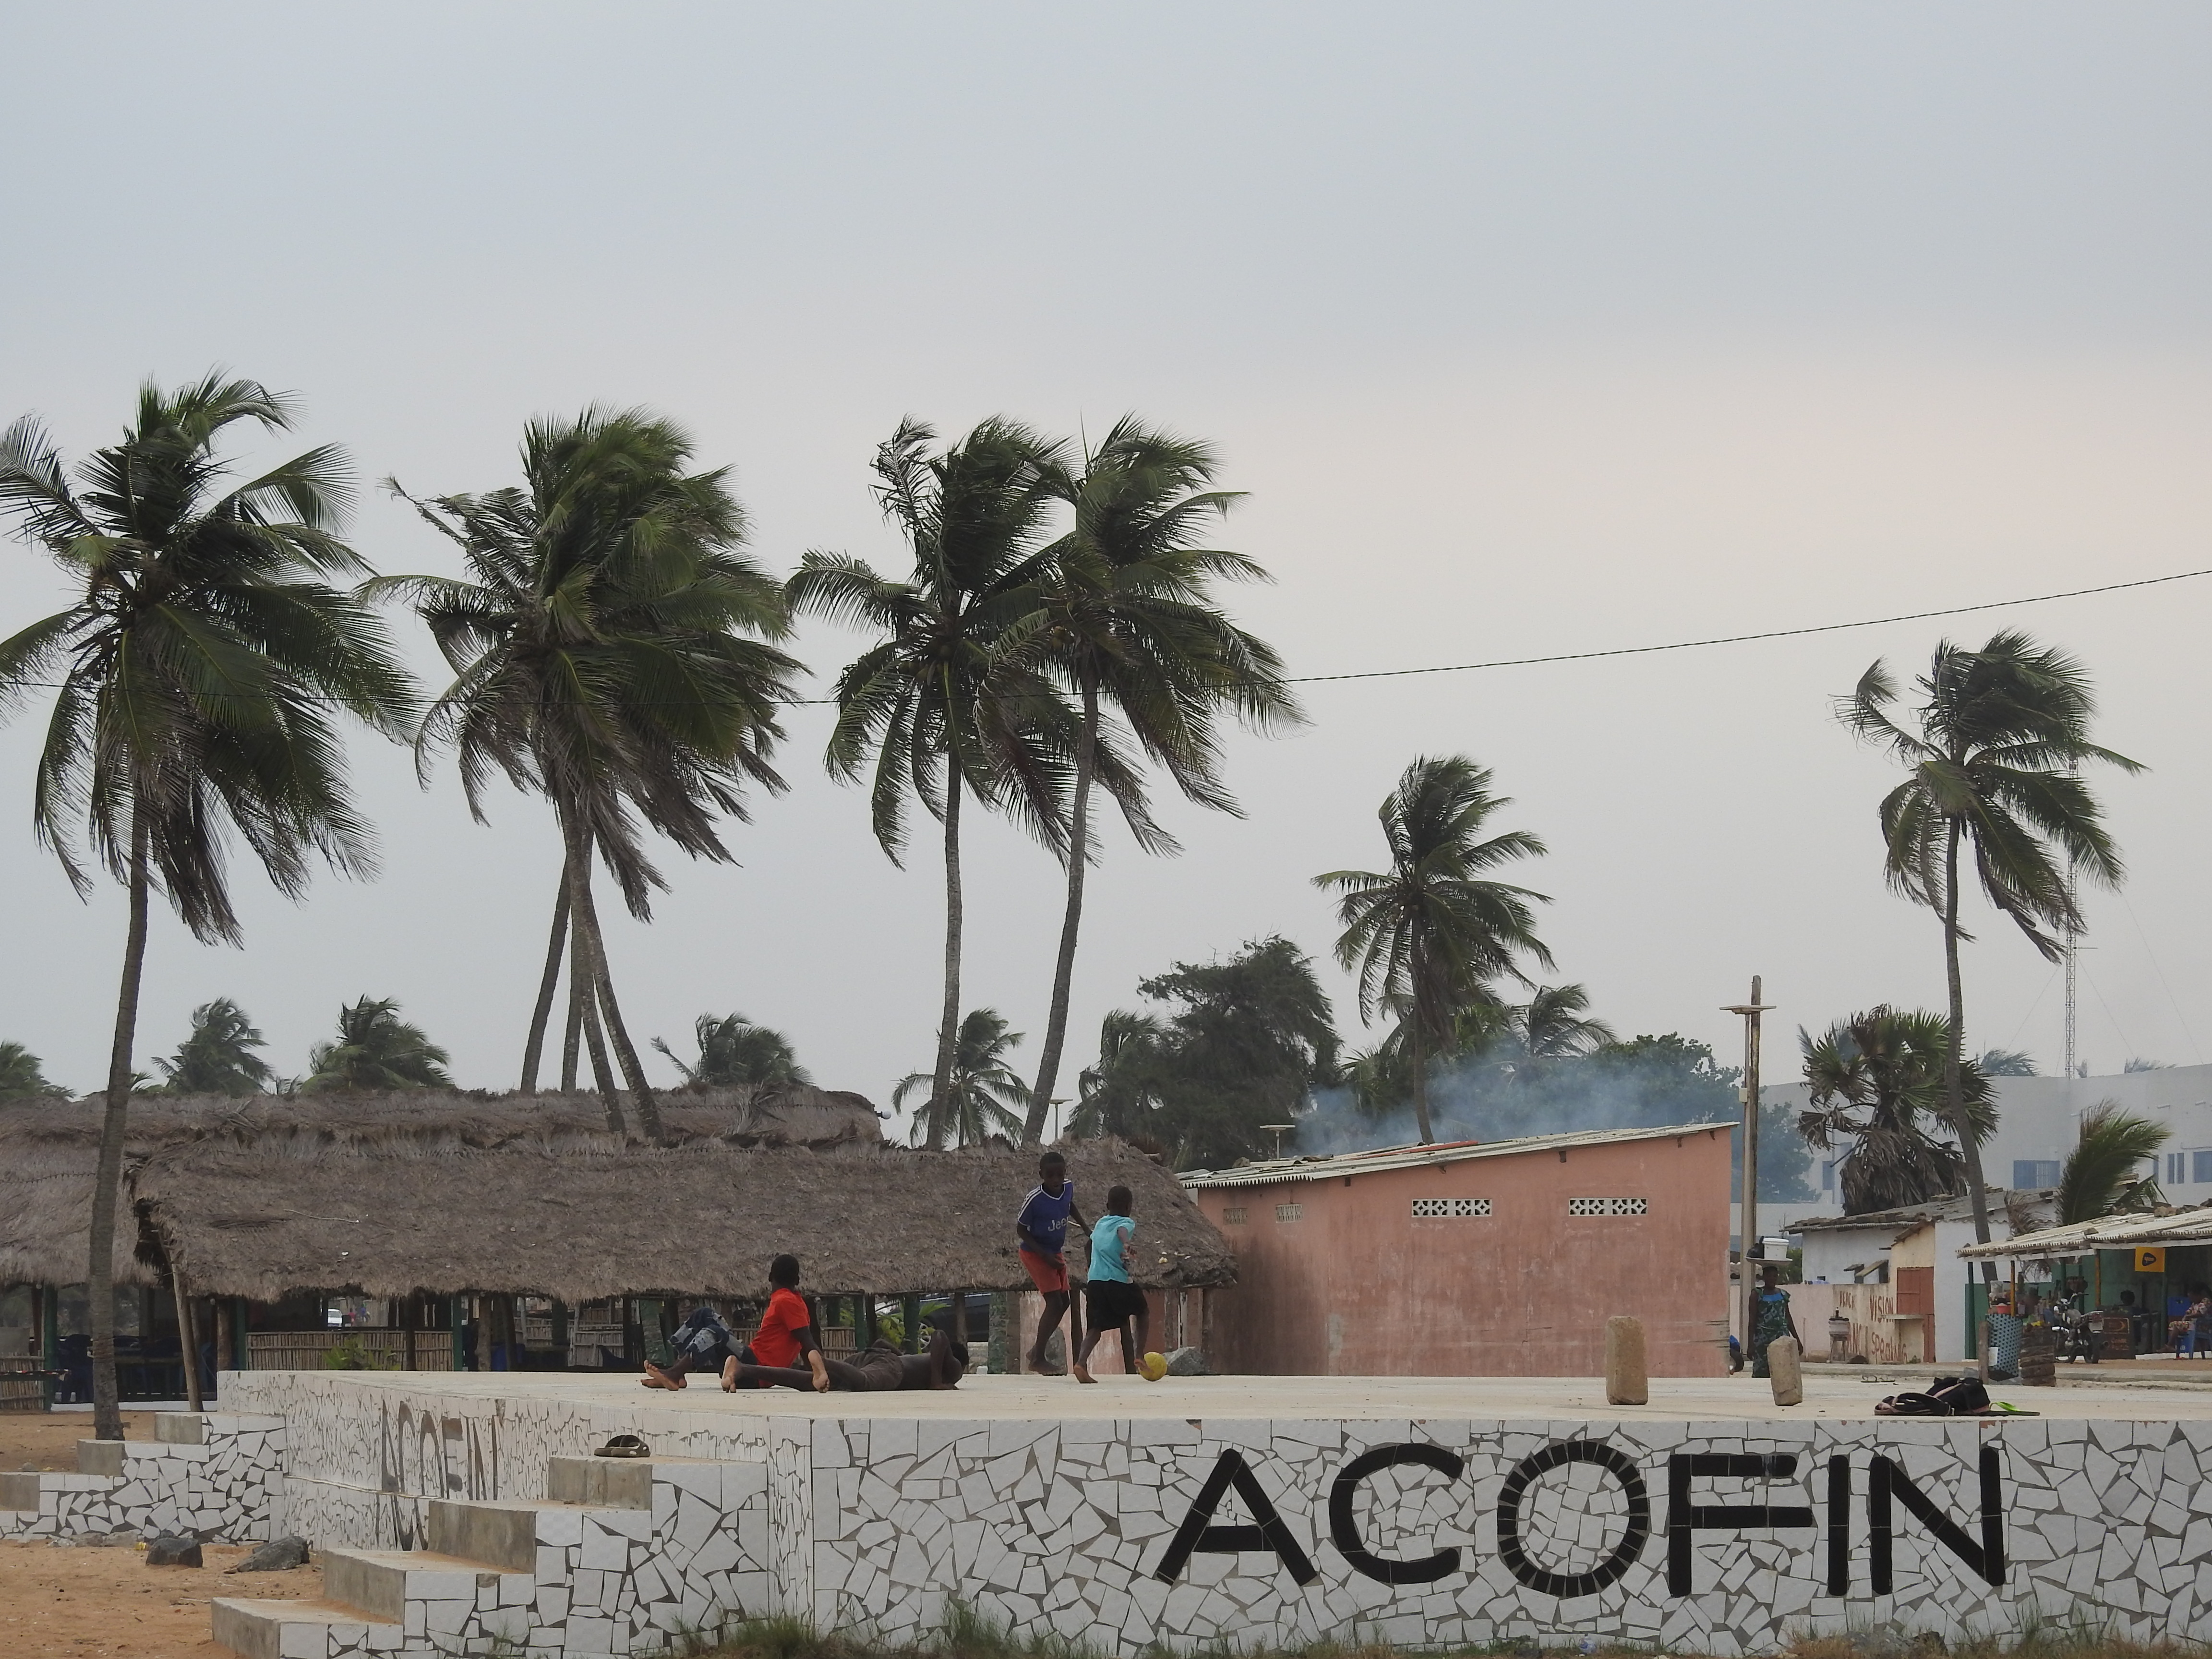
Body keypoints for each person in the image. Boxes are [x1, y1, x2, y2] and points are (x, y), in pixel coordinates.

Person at [731, 1310, 969, 1392]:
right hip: (888, 1368)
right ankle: (823, 1361)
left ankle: (743, 1368)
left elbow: (880, 1343)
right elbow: (940, 1336)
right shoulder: (955, 1368)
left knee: (809, 1382)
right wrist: (936, 1382)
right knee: (863, 1383)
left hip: (875, 1358)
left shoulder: (920, 1361)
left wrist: (894, 1356)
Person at [1016, 1150, 1087, 1374]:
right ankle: (1038, 1359)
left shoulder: (1068, 1188)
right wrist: (1044, 1255)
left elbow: (1070, 1206)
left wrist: (1086, 1228)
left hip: (1055, 1252)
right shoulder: (1035, 1200)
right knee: (1054, 1303)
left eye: (1060, 1175)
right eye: (1050, 1176)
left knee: (1064, 1302)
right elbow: (1021, 1230)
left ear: (1065, 1173)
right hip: (1035, 1253)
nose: (1056, 1180)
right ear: (1042, 1175)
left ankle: (1036, 1350)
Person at [720, 1255, 829, 1392]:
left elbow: (806, 1341)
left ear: (770, 1277)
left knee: (712, 1328)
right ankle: (731, 1374)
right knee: (707, 1323)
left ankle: (695, 1366)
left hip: (755, 1364)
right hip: (757, 1370)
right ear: (797, 1280)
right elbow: (804, 1341)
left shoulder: (785, 1301)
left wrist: (823, 1371)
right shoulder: (797, 1303)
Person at [1073, 1185, 1148, 1384]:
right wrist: (1126, 1244)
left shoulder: (1100, 1224)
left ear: (1107, 1206)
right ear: (1129, 1206)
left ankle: (1081, 1363)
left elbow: (1089, 1244)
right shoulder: (1127, 1222)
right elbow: (1122, 1231)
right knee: (1143, 1311)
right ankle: (1140, 1354)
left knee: (1094, 1328)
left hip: (1095, 1282)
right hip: (1117, 1281)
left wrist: (1091, 1265)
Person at [643, 1305, 741, 1390]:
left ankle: (674, 1374)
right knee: (703, 1314)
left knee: (714, 1332)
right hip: (744, 1352)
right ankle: (678, 1373)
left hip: (746, 1361)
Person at [1749, 1263, 1799, 1378]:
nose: (1773, 1279)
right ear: (1764, 1277)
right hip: (1763, 1341)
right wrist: (1751, 1344)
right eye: (1770, 1276)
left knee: (1782, 1371)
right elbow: (1752, 1321)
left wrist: (1797, 1340)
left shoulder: (1783, 1295)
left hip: (1781, 1338)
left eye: (1775, 1276)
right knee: (1762, 1372)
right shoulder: (1757, 1294)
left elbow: (1788, 1318)